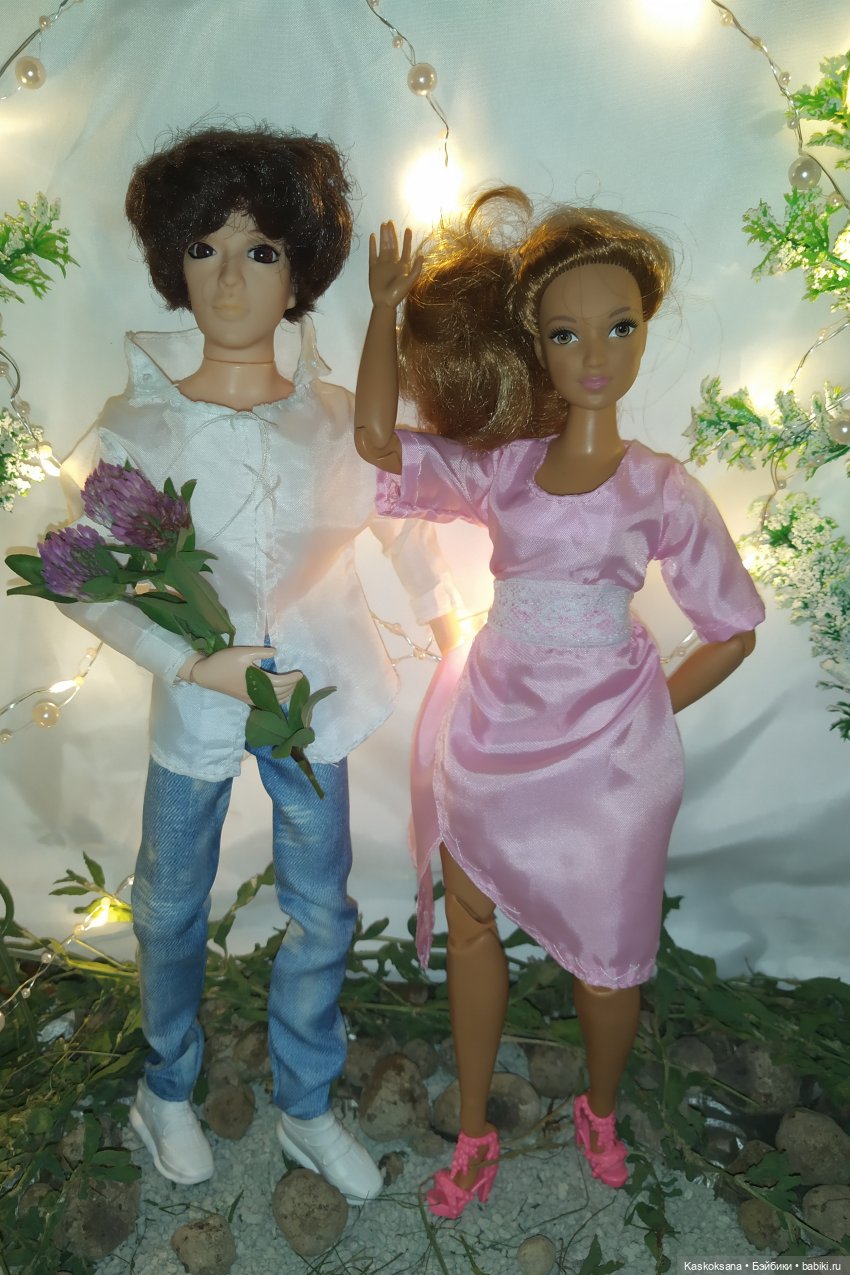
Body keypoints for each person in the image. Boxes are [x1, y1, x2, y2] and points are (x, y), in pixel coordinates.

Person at [57, 125, 460, 1202]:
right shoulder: (138, 426)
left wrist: (446, 624)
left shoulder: (333, 417)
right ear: (172, 263)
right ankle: (165, 1087)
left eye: (261, 251)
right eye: (205, 249)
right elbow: (83, 578)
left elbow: (400, 512)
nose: (230, 278)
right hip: (197, 706)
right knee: (168, 905)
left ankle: (306, 1100)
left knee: (321, 906)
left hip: (315, 693)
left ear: (301, 272)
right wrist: (190, 664)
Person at [353, 188, 765, 1216]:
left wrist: (647, 710)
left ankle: (601, 1108)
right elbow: (376, 443)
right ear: (533, 344)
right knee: (473, 925)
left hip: (613, 758)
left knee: (609, 963)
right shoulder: (507, 469)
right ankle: (475, 1125)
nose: (595, 354)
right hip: (492, 729)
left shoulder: (661, 488)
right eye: (566, 332)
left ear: (644, 331)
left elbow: (732, 627)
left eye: (619, 326)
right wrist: (383, 310)